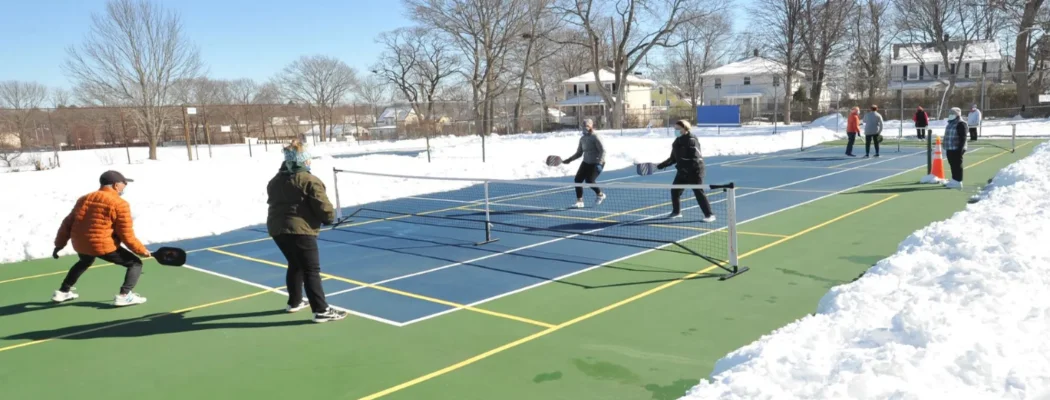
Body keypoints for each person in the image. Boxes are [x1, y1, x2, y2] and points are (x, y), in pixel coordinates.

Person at [267, 140, 348, 323]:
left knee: (295, 264)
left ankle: (294, 302)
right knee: (311, 270)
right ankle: (321, 310)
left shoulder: (276, 180)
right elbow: (323, 206)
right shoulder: (309, 180)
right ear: (303, 161)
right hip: (300, 230)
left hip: (277, 229)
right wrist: (329, 218)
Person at [52, 170, 151, 306]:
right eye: (124, 183)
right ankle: (125, 295)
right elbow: (126, 233)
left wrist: (59, 244)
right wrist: (140, 250)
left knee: (84, 261)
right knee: (135, 263)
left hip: (80, 243)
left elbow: (67, 223)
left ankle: (63, 291)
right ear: (116, 185)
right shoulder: (120, 204)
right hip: (101, 245)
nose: (125, 186)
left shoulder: (84, 198)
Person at [656, 120, 715, 222]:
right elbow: (673, 158)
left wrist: (687, 168)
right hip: (682, 171)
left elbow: (696, 158)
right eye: (675, 129)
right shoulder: (676, 142)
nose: (676, 131)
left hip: (695, 171)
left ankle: (709, 215)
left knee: (698, 192)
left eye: (678, 129)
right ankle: (676, 212)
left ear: (685, 129)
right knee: (675, 190)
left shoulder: (692, 140)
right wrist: (661, 165)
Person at [561, 118, 606, 208]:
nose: (585, 128)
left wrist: (600, 163)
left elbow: (603, 151)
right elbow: (579, 153)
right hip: (586, 162)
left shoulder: (596, 137)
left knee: (589, 180)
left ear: (591, 126)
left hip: (596, 163)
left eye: (587, 126)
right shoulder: (582, 139)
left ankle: (600, 195)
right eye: (583, 126)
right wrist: (569, 160)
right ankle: (580, 201)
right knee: (578, 180)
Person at [943, 107, 969, 190]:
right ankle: (954, 179)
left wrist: (960, 149)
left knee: (957, 165)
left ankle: (958, 181)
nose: (950, 115)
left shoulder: (961, 124)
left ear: (957, 115)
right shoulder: (950, 123)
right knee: (952, 165)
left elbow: (963, 137)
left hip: (957, 148)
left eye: (952, 113)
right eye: (950, 113)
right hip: (950, 148)